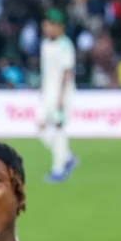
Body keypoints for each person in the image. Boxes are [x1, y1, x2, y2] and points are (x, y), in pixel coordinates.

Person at [38, 10, 78, 182]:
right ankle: (67, 157)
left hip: (61, 93)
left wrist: (61, 96)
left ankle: (58, 169)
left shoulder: (65, 45)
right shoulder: (45, 44)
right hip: (47, 92)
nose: (46, 29)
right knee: (40, 128)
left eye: (49, 25)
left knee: (59, 128)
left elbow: (66, 72)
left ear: (58, 26)